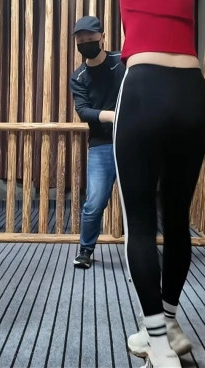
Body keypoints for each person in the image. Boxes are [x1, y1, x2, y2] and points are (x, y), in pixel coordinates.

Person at [104, 0, 205, 366]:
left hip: (145, 87)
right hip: (191, 93)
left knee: (141, 224)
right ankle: (168, 324)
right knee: (177, 219)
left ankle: (160, 346)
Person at [69, 16, 125, 269]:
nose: (85, 43)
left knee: (138, 198)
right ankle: (85, 250)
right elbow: (84, 111)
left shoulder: (122, 61)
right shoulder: (79, 77)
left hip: (131, 140)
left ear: (102, 37)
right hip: (102, 144)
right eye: (81, 40)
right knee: (95, 202)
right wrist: (115, 116)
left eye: (90, 39)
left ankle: (142, 247)